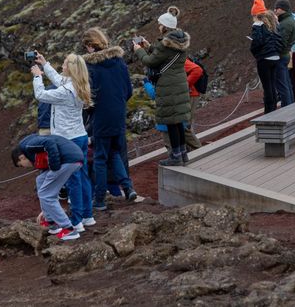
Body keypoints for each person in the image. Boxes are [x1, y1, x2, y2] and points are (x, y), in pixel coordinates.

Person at [31, 52, 94, 232]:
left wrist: (37, 76)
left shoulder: (66, 91)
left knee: (72, 179)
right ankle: (87, 216)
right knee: (82, 176)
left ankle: (76, 221)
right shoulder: (79, 84)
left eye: (65, 64)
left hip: (68, 139)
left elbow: (41, 95)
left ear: (71, 68)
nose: (62, 66)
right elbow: (59, 80)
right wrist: (45, 64)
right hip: (80, 136)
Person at [82, 28, 137, 211]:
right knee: (115, 153)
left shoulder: (90, 67)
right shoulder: (119, 61)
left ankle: (99, 200)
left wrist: (89, 111)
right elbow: (128, 90)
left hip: (101, 117)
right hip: (118, 114)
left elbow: (90, 97)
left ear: (91, 46)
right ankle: (128, 188)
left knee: (100, 157)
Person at [134, 15, 192, 166]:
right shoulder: (180, 41)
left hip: (168, 86)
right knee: (178, 121)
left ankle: (175, 156)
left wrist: (139, 50)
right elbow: (164, 56)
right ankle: (183, 153)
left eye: (160, 24)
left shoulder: (165, 44)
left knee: (171, 122)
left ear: (165, 26)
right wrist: (149, 46)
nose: (158, 26)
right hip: (179, 83)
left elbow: (150, 61)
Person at [12, 134, 85, 240]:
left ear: (21, 158)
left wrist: (54, 167)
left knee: (46, 194)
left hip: (69, 160)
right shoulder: (27, 146)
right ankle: (51, 222)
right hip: (69, 158)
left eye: (21, 165)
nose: (25, 167)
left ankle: (68, 229)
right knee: (40, 180)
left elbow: (49, 143)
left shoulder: (28, 146)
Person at [249, 0, 282, 113]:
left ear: (256, 15)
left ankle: (269, 111)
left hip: (264, 59)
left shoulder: (257, 26)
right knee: (272, 85)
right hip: (275, 57)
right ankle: (274, 108)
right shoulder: (273, 23)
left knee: (267, 86)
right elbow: (279, 39)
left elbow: (257, 42)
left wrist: (256, 53)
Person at [273, 0, 295, 107]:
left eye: (276, 9)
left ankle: (287, 109)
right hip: (286, 55)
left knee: (282, 86)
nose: (275, 11)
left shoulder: (285, 23)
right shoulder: (289, 20)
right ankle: (290, 105)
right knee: (287, 83)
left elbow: (281, 43)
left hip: (281, 56)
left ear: (281, 9)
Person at [183, 58, 204, 149]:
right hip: (190, 93)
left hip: (191, 94)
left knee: (186, 124)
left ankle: (197, 148)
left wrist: (185, 85)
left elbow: (197, 70)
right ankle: (191, 148)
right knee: (187, 123)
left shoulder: (181, 59)